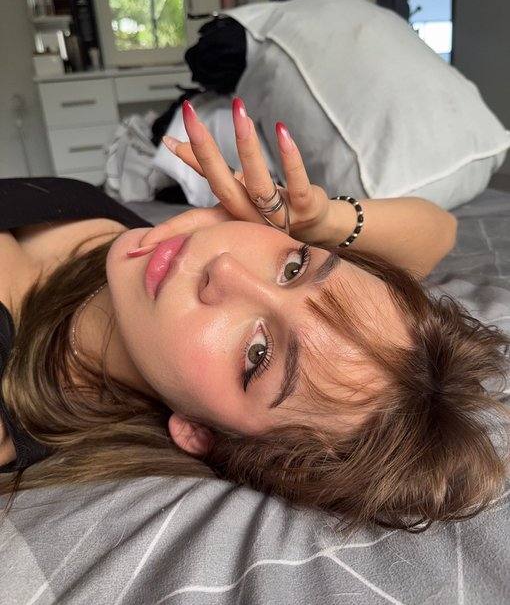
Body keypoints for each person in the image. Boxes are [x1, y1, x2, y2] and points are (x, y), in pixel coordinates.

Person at [0, 98, 508, 534]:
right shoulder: (144, 290)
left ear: (199, 433)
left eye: (258, 353)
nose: (226, 270)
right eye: (294, 266)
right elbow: (439, 231)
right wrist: (320, 221)